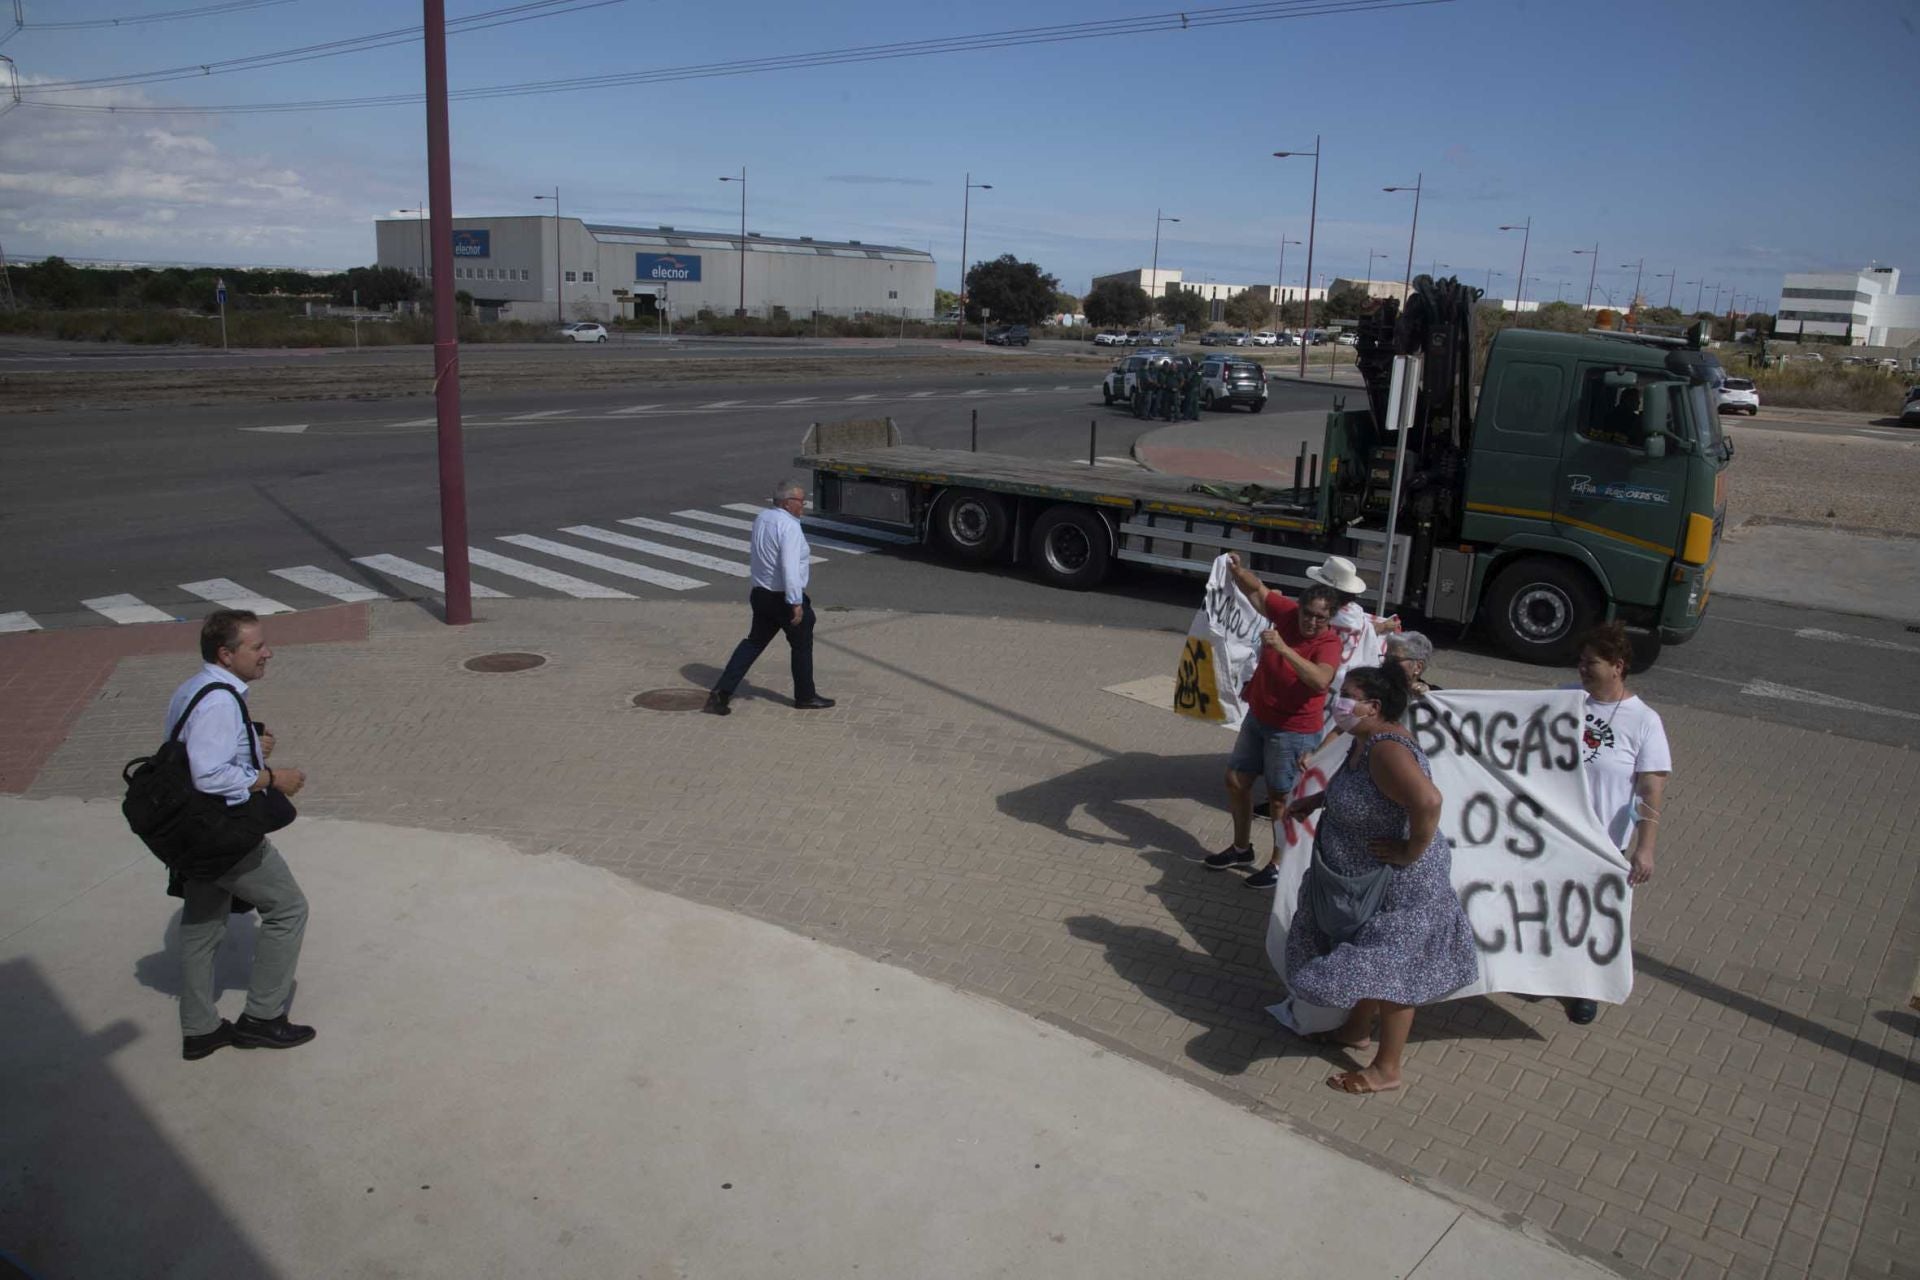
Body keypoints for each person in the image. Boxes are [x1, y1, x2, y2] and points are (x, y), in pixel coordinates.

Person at [1280, 664, 1478, 1095]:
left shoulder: (1388, 749)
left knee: (1392, 968)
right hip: (1365, 881)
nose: (1339, 703)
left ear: (1374, 706)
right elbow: (1362, 793)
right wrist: (1316, 800)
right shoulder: (1361, 741)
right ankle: (1355, 1029)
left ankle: (1387, 1069)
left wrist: (1410, 851)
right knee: (1370, 952)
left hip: (1401, 882)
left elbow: (1428, 802)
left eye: (1348, 695)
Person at [170, 609, 314, 1061]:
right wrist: (273, 777)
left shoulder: (194, 689)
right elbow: (209, 775)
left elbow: (194, 750)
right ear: (226, 654)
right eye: (256, 647)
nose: (267, 652)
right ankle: (263, 1019)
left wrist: (250, 738)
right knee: (288, 908)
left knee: (202, 925)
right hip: (222, 833)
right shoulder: (219, 700)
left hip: (189, 834)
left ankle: (199, 1029)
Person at [1205, 555, 1341, 889]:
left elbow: (1321, 681)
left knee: (1282, 799)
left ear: (1330, 619)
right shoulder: (1288, 614)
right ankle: (1241, 849)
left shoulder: (1329, 643)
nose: (1311, 622)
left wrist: (1283, 649)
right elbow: (1258, 593)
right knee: (1236, 780)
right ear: (1300, 607)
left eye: (1320, 618)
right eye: (1307, 614)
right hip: (1259, 718)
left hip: (1293, 731)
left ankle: (1279, 863)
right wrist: (1236, 571)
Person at [1563, 621, 1670, 1024]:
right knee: (1555, 908)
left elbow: (1651, 789)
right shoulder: (1565, 700)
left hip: (1603, 841)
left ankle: (1586, 990)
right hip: (1555, 833)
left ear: (1618, 666)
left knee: (1594, 918)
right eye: (1580, 661)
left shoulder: (1644, 721)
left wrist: (1645, 847)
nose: (1582, 669)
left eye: (1592, 662)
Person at [705, 479, 836, 714]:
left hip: (761, 594)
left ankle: (721, 693)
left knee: (753, 642)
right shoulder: (790, 527)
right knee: (802, 646)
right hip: (783, 598)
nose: (804, 505)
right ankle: (805, 696)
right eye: (800, 501)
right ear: (787, 503)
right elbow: (790, 566)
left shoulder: (763, 518)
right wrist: (795, 602)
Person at [1385, 630, 1436, 697]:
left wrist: (1427, 694)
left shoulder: (1435, 697)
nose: (1388, 663)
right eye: (1387, 658)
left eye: (1395, 659)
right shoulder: (1374, 686)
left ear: (1418, 667)